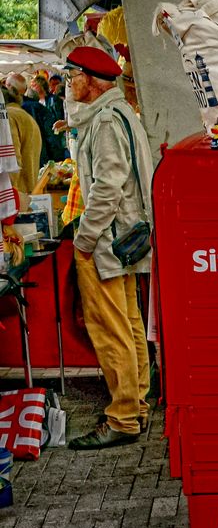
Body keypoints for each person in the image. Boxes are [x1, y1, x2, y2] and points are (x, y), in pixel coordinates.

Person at [63, 46, 154, 450]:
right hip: (126, 238)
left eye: (73, 76)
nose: (69, 84)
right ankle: (136, 408)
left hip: (106, 241)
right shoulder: (122, 114)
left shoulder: (104, 121)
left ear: (92, 80)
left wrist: (84, 238)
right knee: (130, 323)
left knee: (111, 328)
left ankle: (121, 417)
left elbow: (107, 188)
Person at [1, 83, 41, 196]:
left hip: (15, 194)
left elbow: (11, 160)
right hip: (27, 189)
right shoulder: (24, 115)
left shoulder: (7, 117)